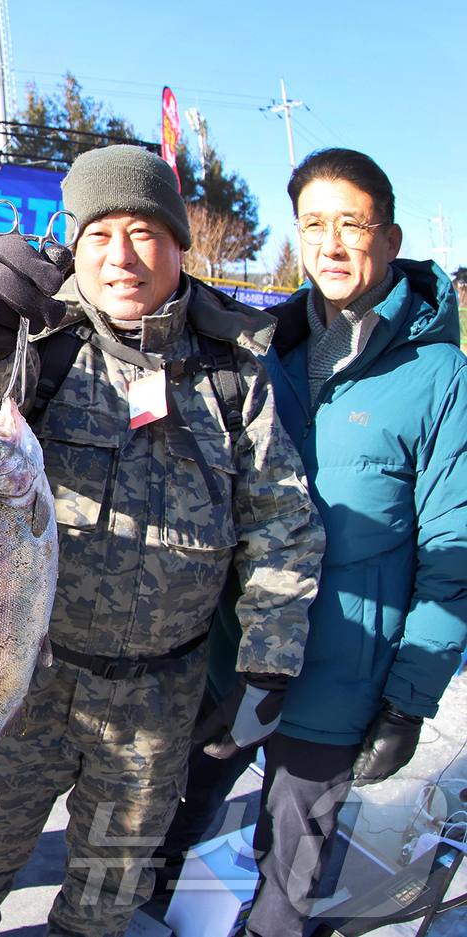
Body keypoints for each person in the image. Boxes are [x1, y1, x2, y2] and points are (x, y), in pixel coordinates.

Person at [0, 144, 324, 937]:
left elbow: (282, 521)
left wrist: (268, 658)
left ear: (180, 245)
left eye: (145, 233)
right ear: (75, 246)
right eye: (100, 235)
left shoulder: (235, 371)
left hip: (158, 702)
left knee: (108, 893)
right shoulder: (43, 340)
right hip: (25, 680)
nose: (123, 257)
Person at [151, 148, 467, 937]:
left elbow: (453, 554)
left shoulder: (439, 377)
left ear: (389, 239)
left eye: (351, 225)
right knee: (173, 815)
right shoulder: (262, 347)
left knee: (290, 862)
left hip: (342, 672)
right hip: (234, 653)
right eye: (313, 225)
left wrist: (408, 698)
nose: (330, 244)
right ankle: (143, 908)